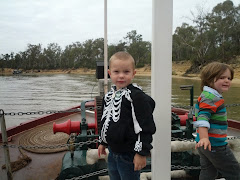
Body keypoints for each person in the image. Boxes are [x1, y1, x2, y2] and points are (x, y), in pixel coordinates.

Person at [98, 51, 156, 180]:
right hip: (112, 152)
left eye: (126, 72)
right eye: (116, 72)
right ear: (109, 73)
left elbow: (145, 126)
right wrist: (102, 141)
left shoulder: (136, 97)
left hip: (129, 154)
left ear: (134, 73)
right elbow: (105, 120)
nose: (121, 76)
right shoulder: (108, 96)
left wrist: (141, 153)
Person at [194, 62, 240, 180]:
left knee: (208, 172)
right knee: (235, 172)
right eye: (222, 78)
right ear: (209, 79)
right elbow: (203, 118)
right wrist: (205, 138)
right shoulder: (210, 98)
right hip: (214, 145)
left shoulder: (207, 95)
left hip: (204, 145)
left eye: (229, 78)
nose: (227, 81)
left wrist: (203, 139)